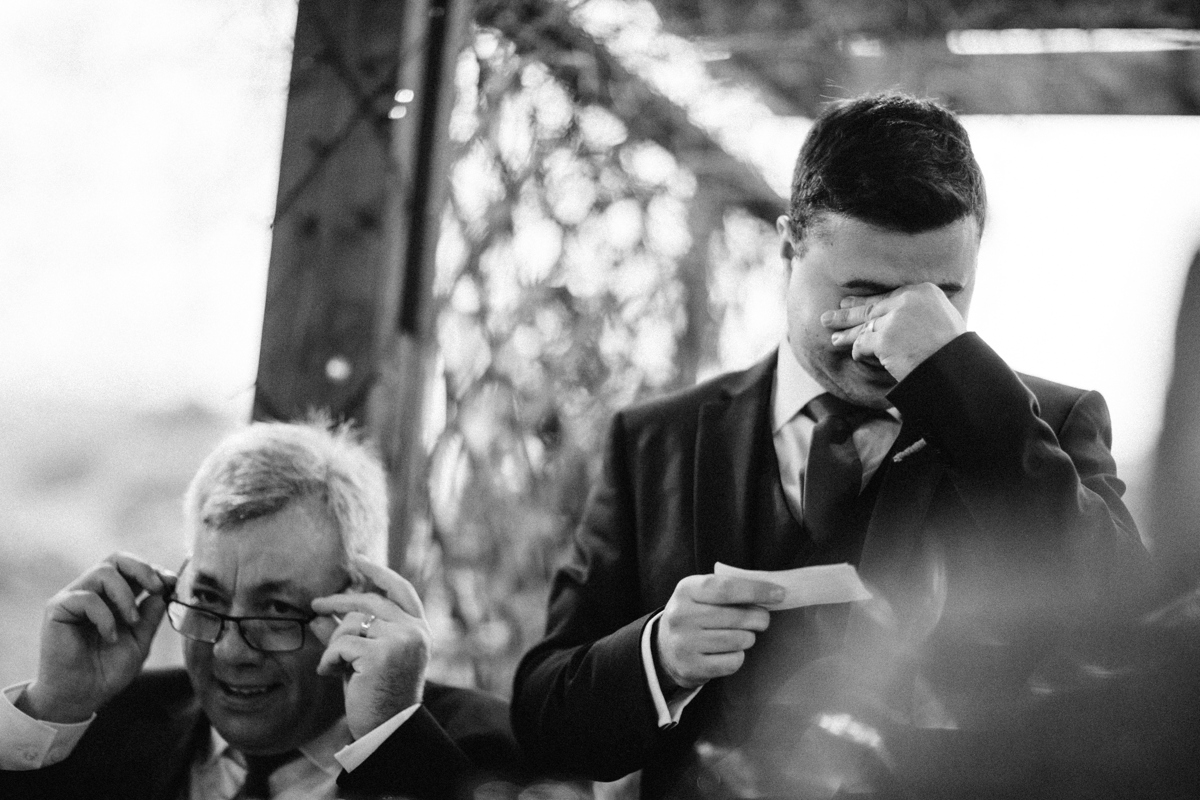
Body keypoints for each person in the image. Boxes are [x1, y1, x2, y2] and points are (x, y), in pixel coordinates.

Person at [510, 92, 1150, 798]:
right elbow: (544, 719)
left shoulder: (1046, 427)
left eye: (938, 298)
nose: (891, 332)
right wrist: (657, 657)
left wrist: (970, 394)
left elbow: (1123, 630)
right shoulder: (655, 441)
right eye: (865, 292)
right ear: (789, 246)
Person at [0, 419, 523, 799]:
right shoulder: (100, 729)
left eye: (275, 609)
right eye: (206, 599)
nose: (230, 650)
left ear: (366, 605)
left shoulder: (490, 753)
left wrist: (393, 740)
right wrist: (51, 709)